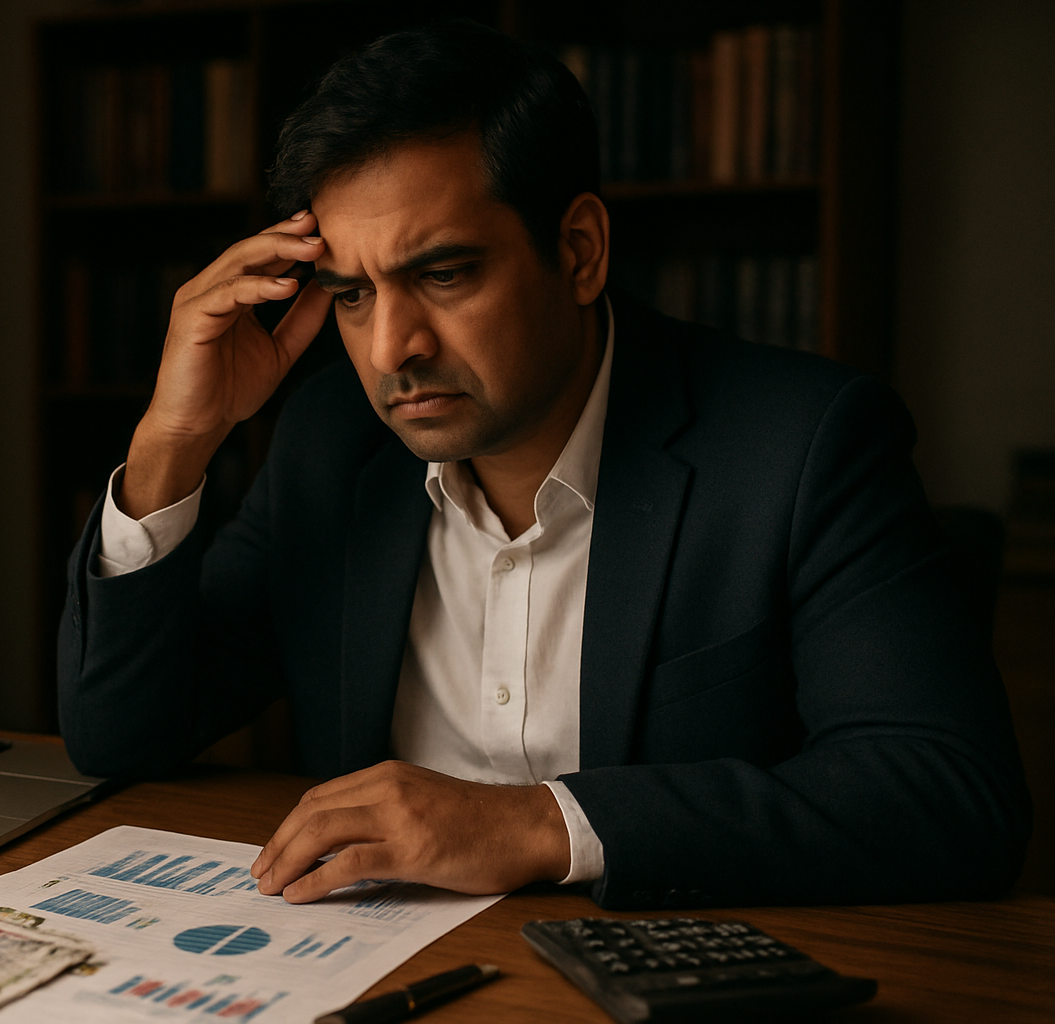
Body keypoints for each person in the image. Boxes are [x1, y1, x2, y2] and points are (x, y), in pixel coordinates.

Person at [57, 20, 1030, 910]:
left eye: (442, 274)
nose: (393, 347)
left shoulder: (804, 444)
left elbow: (948, 798)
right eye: (351, 294)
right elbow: (123, 735)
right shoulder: (332, 441)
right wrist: (172, 444)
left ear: (578, 251)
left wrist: (537, 822)